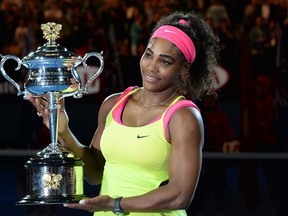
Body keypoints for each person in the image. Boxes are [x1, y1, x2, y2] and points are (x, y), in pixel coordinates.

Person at [27, 10, 220, 216]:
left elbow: (180, 195)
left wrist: (115, 204)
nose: (151, 67)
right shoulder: (113, 104)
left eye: (165, 61)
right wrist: (64, 132)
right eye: (148, 54)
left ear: (184, 69)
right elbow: (95, 174)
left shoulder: (184, 117)